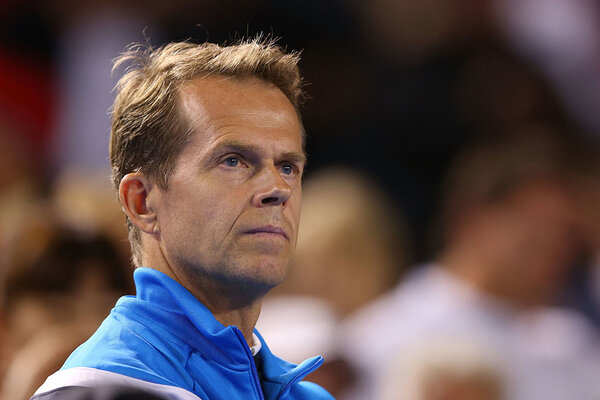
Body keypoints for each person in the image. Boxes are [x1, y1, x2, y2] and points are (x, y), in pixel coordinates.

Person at [32, 37, 334, 400]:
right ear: (142, 202)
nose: (277, 189)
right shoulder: (97, 390)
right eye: (233, 161)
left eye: (287, 166)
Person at [339, 133, 600, 400]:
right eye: (537, 230)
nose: (554, 248)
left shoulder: (572, 344)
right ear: (472, 219)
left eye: (567, 235)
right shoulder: (380, 340)